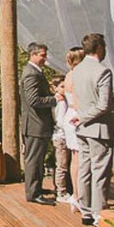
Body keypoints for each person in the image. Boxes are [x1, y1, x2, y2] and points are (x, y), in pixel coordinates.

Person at [70, 33, 114, 226]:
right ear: (99, 48)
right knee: (100, 171)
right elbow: (104, 105)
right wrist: (84, 116)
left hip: (81, 128)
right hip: (98, 128)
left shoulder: (77, 70)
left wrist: (80, 117)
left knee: (84, 169)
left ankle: (86, 210)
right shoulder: (102, 71)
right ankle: (99, 214)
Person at [19, 42, 57, 205]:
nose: (45, 58)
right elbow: (34, 100)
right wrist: (54, 99)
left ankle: (37, 187)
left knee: (38, 159)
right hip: (35, 124)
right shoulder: (31, 74)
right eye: (42, 55)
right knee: (34, 159)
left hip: (37, 124)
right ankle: (33, 193)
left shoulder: (35, 72)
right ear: (32, 55)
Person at [62, 47, 86, 213]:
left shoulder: (68, 75)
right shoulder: (78, 76)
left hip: (68, 114)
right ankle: (79, 195)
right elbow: (78, 100)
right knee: (80, 158)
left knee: (74, 157)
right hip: (76, 115)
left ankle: (76, 195)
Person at [51, 76, 74, 205]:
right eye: (62, 87)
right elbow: (60, 121)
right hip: (61, 136)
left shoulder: (63, 100)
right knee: (62, 165)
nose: (64, 89)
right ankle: (61, 191)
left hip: (62, 136)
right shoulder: (61, 102)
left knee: (63, 164)